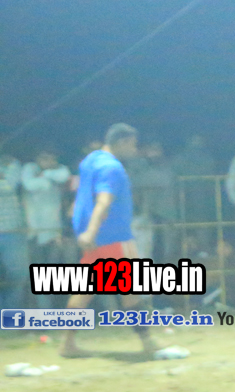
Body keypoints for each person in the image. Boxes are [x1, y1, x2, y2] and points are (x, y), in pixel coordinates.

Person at [61, 124, 166, 358]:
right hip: (113, 235)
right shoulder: (113, 168)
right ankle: (147, 340)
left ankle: (67, 343)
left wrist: (85, 230)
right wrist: (92, 231)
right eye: (132, 144)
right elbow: (104, 201)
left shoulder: (90, 160)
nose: (135, 150)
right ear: (122, 142)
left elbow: (82, 194)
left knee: (84, 290)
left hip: (94, 236)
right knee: (131, 290)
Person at [22, 147, 72, 286]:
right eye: (45, 158)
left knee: (52, 274)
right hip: (34, 232)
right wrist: (47, 178)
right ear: (37, 158)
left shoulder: (58, 170)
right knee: (35, 273)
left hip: (54, 231)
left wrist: (45, 174)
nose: (49, 161)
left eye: (52, 158)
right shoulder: (29, 168)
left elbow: (64, 175)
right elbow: (29, 184)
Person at [0, 152, 29, 309]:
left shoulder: (10, 164)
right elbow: (8, 185)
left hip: (12, 231)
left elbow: (11, 183)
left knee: (18, 276)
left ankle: (8, 314)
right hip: (11, 233)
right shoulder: (9, 166)